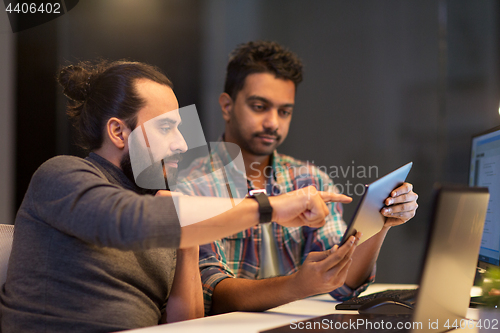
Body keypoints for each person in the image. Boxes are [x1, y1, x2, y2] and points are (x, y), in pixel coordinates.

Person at [0, 60, 356, 332]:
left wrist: (187, 237)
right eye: (167, 127)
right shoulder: (62, 175)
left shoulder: (163, 202)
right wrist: (269, 207)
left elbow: (188, 323)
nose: (182, 144)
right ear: (119, 132)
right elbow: (127, 222)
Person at [177, 41, 419, 315]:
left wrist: (382, 223)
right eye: (259, 106)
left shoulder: (309, 181)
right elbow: (213, 295)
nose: (273, 122)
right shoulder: (193, 187)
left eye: (284, 111)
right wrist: (298, 286)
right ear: (226, 106)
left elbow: (343, 282)